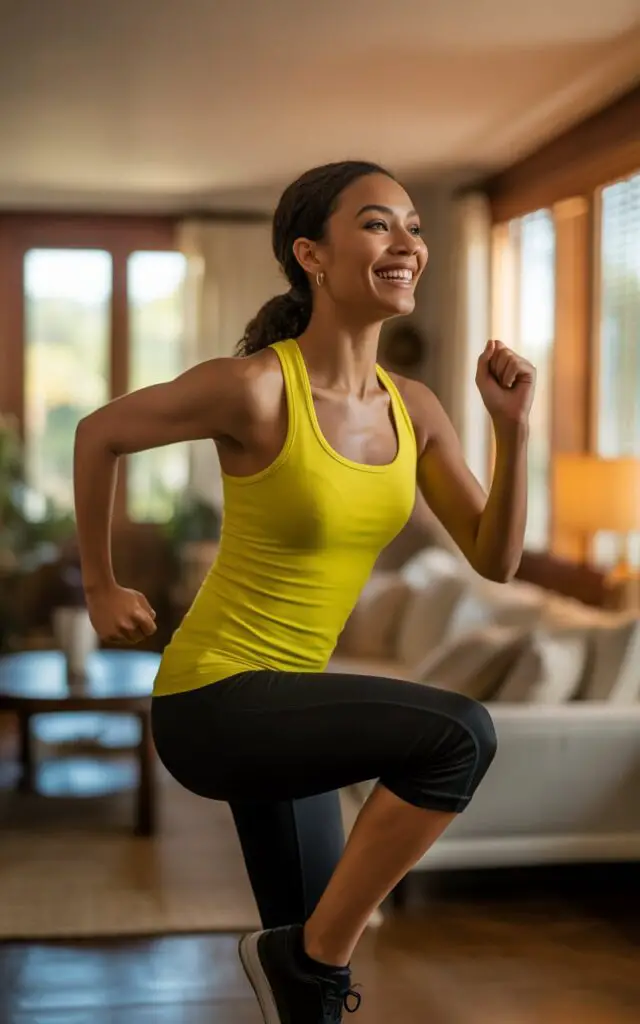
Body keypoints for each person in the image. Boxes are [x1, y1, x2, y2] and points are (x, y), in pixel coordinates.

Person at [73, 159, 536, 1023]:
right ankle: (304, 958)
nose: (407, 243)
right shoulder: (253, 387)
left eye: (413, 225)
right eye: (377, 223)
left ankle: (302, 965)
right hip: (212, 698)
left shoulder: (417, 408)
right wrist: (102, 584)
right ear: (311, 255)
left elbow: (496, 558)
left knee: (311, 987)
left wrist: (512, 434)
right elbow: (99, 433)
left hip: (290, 710)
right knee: (458, 737)